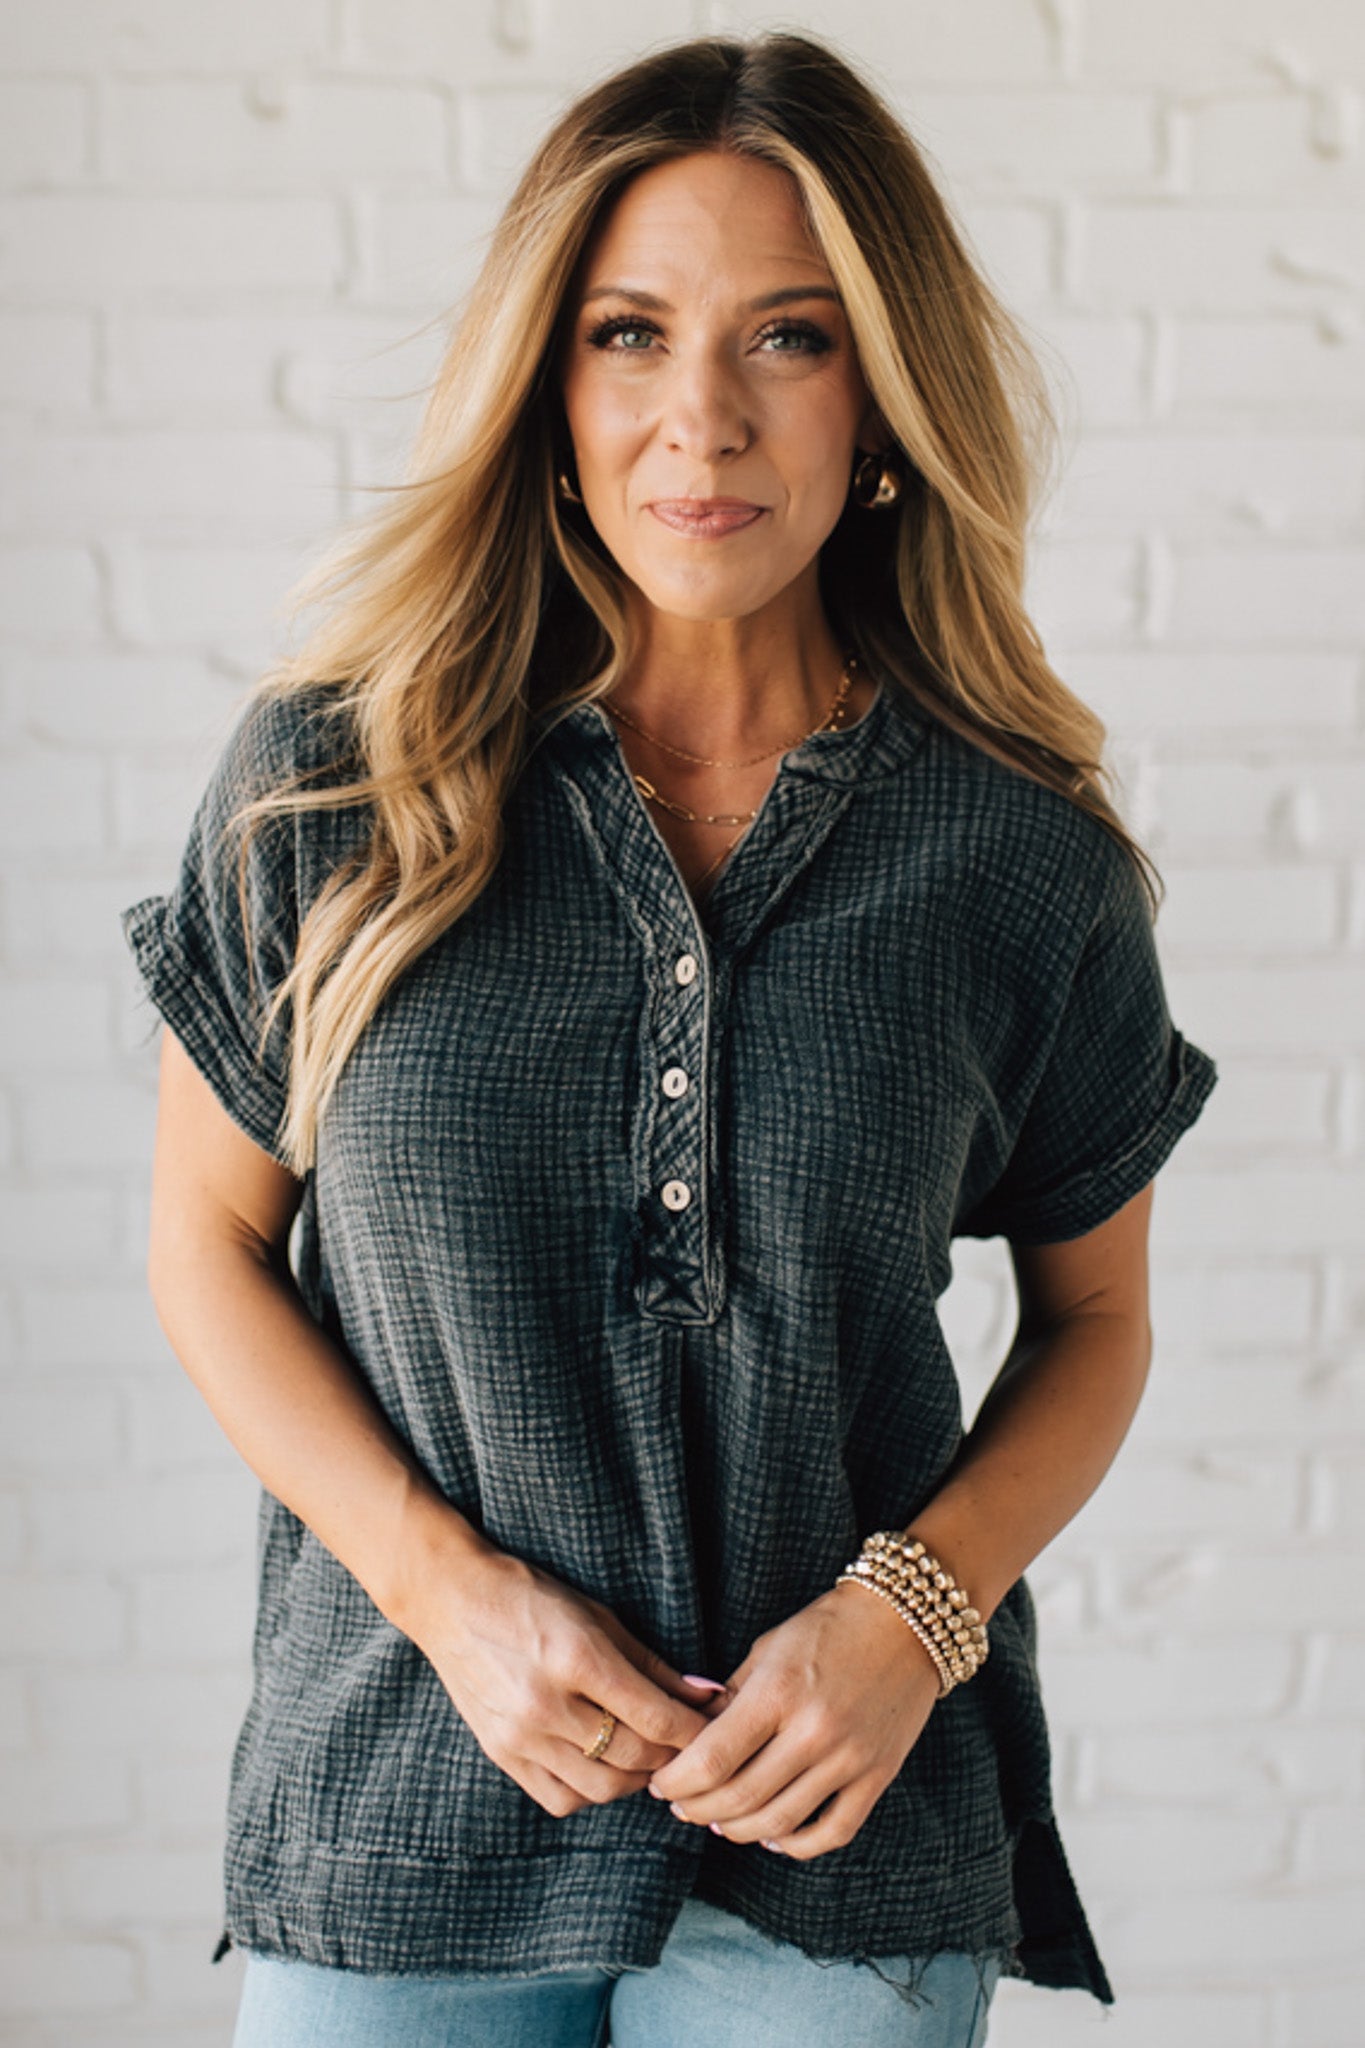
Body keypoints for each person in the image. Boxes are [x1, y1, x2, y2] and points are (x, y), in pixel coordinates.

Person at [121, 29, 1219, 2048]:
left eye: (786, 340)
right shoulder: (330, 787)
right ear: (549, 383)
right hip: (401, 1821)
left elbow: (1095, 1323)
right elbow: (202, 1244)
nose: (697, 419)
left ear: (878, 398)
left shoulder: (1012, 859)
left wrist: (910, 1618)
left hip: (838, 1836)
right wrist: (452, 1598)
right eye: (630, 333)